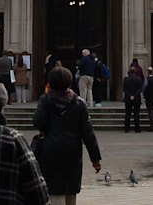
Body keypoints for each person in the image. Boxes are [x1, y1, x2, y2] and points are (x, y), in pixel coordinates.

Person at [33, 67, 102, 205]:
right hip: (72, 150)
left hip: (50, 148)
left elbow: (38, 122)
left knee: (54, 189)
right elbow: (88, 132)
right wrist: (95, 158)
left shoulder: (46, 100)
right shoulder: (79, 102)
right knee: (71, 189)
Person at [123, 66, 143, 133]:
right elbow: (140, 89)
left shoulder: (126, 79)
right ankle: (137, 128)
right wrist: (134, 96)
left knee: (128, 114)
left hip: (128, 99)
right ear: (135, 71)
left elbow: (124, 89)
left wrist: (129, 96)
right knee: (136, 114)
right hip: (136, 99)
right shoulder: (139, 79)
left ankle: (127, 128)